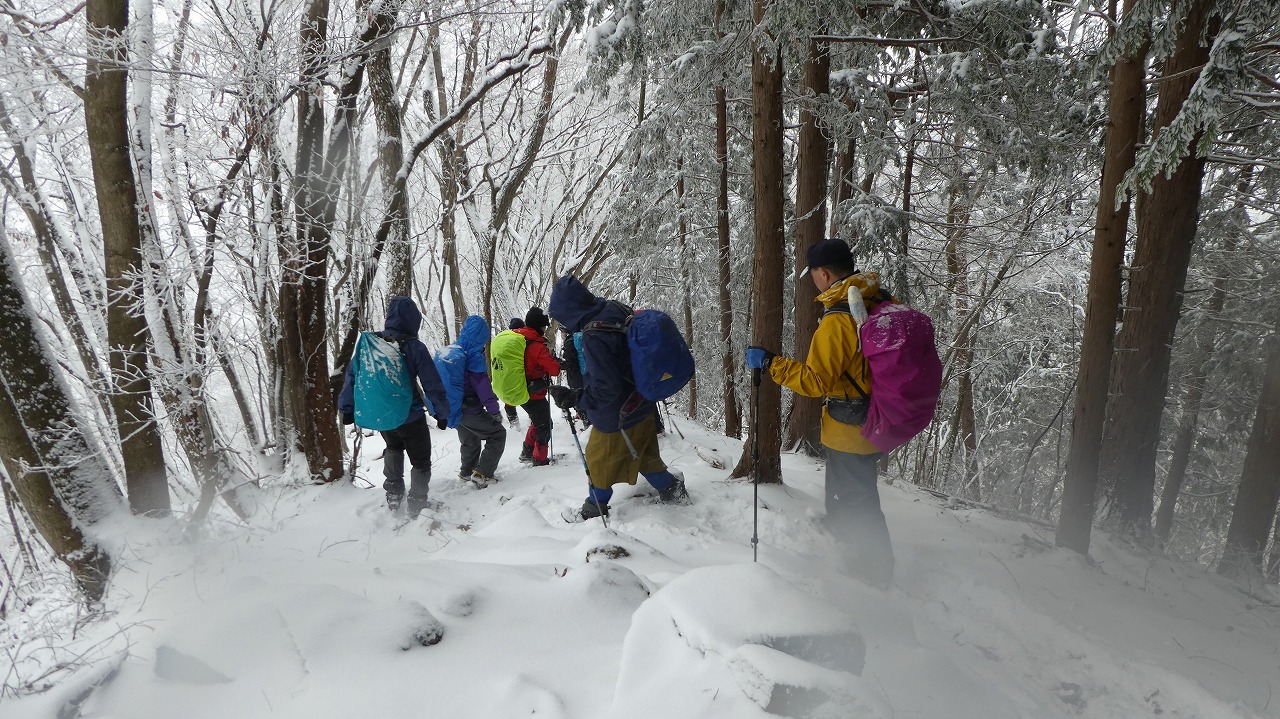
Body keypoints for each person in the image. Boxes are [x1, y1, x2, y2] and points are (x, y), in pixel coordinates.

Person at [745, 238, 894, 588]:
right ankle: (857, 555)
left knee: (856, 501)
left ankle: (873, 574)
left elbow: (815, 381)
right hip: (876, 416)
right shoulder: (877, 299)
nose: (813, 281)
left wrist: (771, 364)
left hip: (850, 428)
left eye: (812, 274)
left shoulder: (839, 320)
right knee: (854, 496)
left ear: (823, 274)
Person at [546, 275, 687, 520]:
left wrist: (575, 398)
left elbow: (606, 388)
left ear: (570, 310)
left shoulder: (594, 335)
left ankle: (594, 509)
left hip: (619, 414)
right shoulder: (614, 308)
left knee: (598, 460)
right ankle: (672, 489)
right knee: (643, 454)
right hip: (642, 400)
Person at [339, 296, 450, 519]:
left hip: (384, 415)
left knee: (393, 448)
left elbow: (353, 376)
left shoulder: (373, 345)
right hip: (411, 416)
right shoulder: (414, 347)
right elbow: (432, 383)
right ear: (414, 320)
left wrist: (346, 408)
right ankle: (417, 502)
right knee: (420, 460)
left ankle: (393, 494)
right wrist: (442, 412)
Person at [454, 315, 506, 486]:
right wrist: (494, 411)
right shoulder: (473, 356)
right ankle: (482, 474)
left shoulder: (454, 351)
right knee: (498, 434)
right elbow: (483, 388)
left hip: (455, 408)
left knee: (470, 440)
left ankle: (467, 472)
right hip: (470, 408)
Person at [514, 307, 561, 466]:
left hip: (520, 388)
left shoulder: (518, 338)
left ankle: (526, 453)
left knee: (538, 421)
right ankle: (540, 459)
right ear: (538, 325)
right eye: (543, 326)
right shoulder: (536, 345)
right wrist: (556, 362)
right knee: (545, 425)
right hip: (533, 392)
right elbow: (554, 370)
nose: (544, 329)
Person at [503, 318, 524, 427]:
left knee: (509, 402)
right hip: (522, 375)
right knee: (531, 401)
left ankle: (514, 423)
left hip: (507, 375)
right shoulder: (523, 339)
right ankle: (533, 421)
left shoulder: (505, 341)